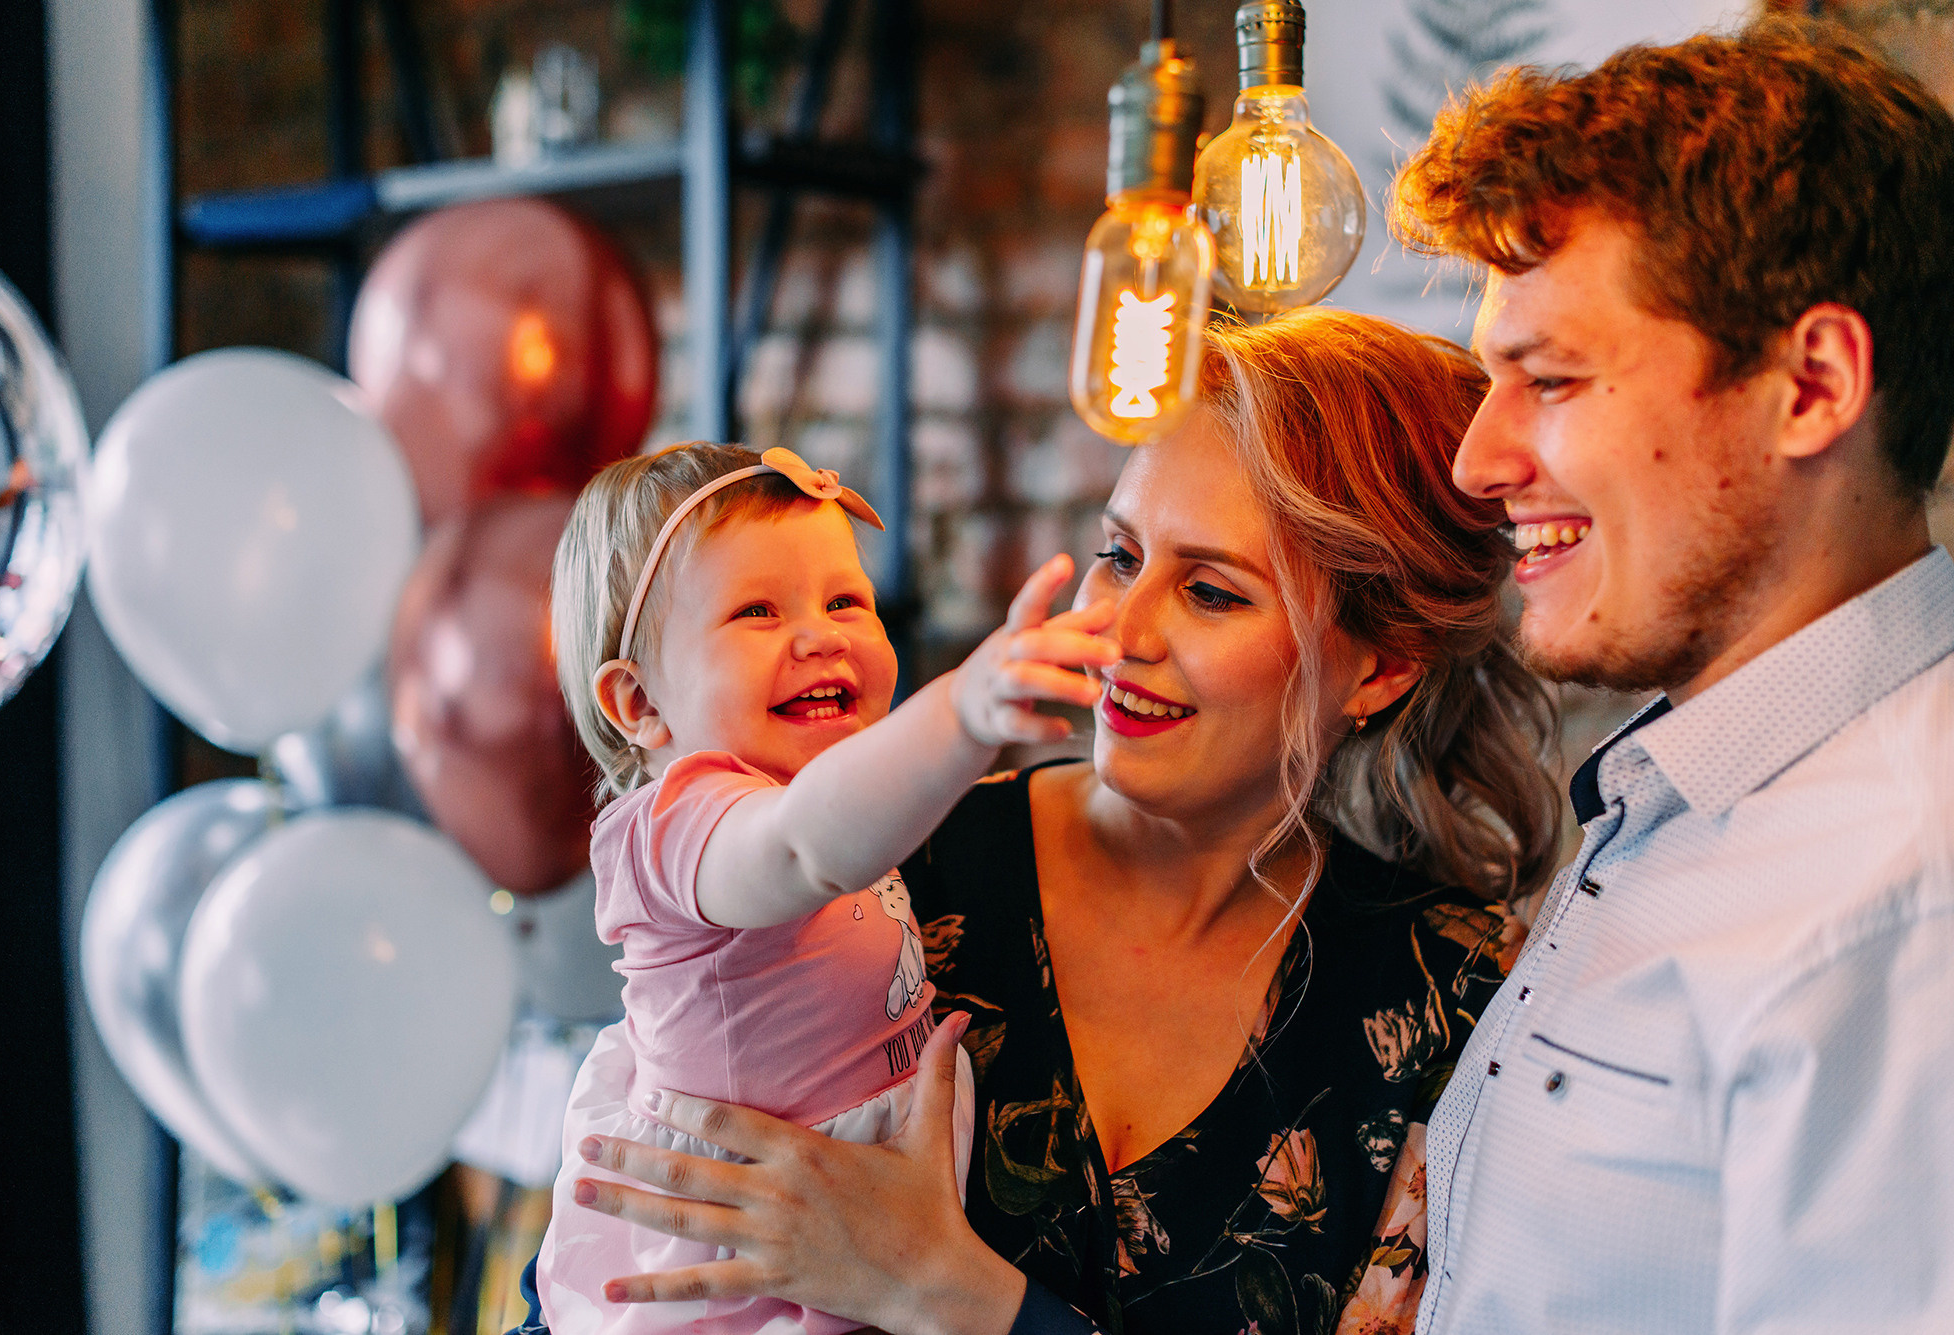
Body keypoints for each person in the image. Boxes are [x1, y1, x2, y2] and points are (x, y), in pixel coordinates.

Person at [521, 308, 1562, 1335]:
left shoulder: (1450, 995)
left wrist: (947, 1296)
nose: (1117, 630)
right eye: (1119, 555)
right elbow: (615, 1259)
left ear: (1375, 668)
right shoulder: (874, 865)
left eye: (1207, 592)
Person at [1381, 16, 1954, 1334]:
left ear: (1810, 385)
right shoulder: (1686, 782)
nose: (1477, 458)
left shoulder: (1902, 907)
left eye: (1554, 378)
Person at [537, 441, 1121, 1334]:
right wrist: (962, 712)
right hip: (744, 1244)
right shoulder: (678, 824)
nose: (822, 634)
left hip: (856, 1212)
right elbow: (806, 846)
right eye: (757, 611)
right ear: (638, 703)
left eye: (847, 599)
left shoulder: (823, 780)